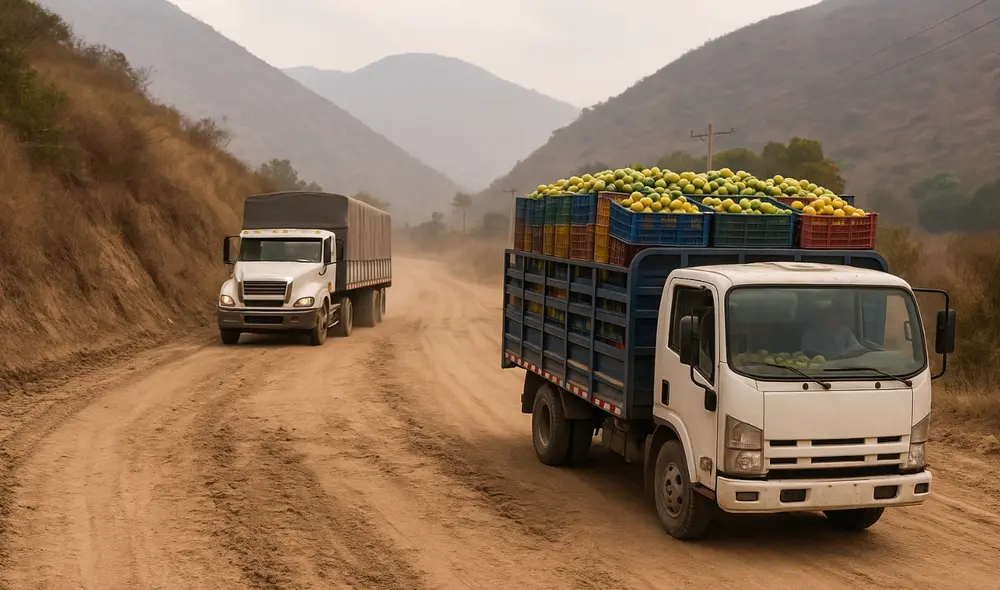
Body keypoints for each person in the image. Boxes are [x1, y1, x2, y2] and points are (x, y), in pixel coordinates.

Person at [800, 301, 866, 359]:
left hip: (843, 366)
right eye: (829, 317)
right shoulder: (810, 334)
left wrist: (843, 354)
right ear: (822, 318)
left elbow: (857, 349)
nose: (833, 319)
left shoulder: (845, 332)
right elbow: (807, 352)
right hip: (819, 368)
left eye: (835, 317)